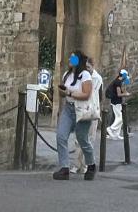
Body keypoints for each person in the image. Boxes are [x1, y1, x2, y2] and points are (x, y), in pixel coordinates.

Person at [51, 49, 96, 181]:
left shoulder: (85, 75)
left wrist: (70, 93)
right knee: (61, 136)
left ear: (78, 60)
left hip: (81, 110)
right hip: (69, 108)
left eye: (73, 58)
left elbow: (86, 94)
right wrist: (62, 91)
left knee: (82, 139)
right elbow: (63, 94)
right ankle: (64, 168)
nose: (70, 60)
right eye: (70, 58)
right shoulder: (67, 74)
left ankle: (91, 165)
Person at [73, 58, 104, 173]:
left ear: (93, 66)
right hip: (82, 109)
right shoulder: (80, 76)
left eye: (88, 67)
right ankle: (77, 164)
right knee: (78, 138)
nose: (87, 70)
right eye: (85, 67)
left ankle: (86, 164)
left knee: (89, 138)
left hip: (92, 111)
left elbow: (98, 95)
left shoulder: (97, 79)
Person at [106, 69, 128, 140]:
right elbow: (119, 94)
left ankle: (116, 134)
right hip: (116, 102)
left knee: (118, 118)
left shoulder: (118, 81)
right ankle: (110, 128)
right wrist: (126, 94)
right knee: (120, 118)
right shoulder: (117, 82)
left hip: (117, 102)